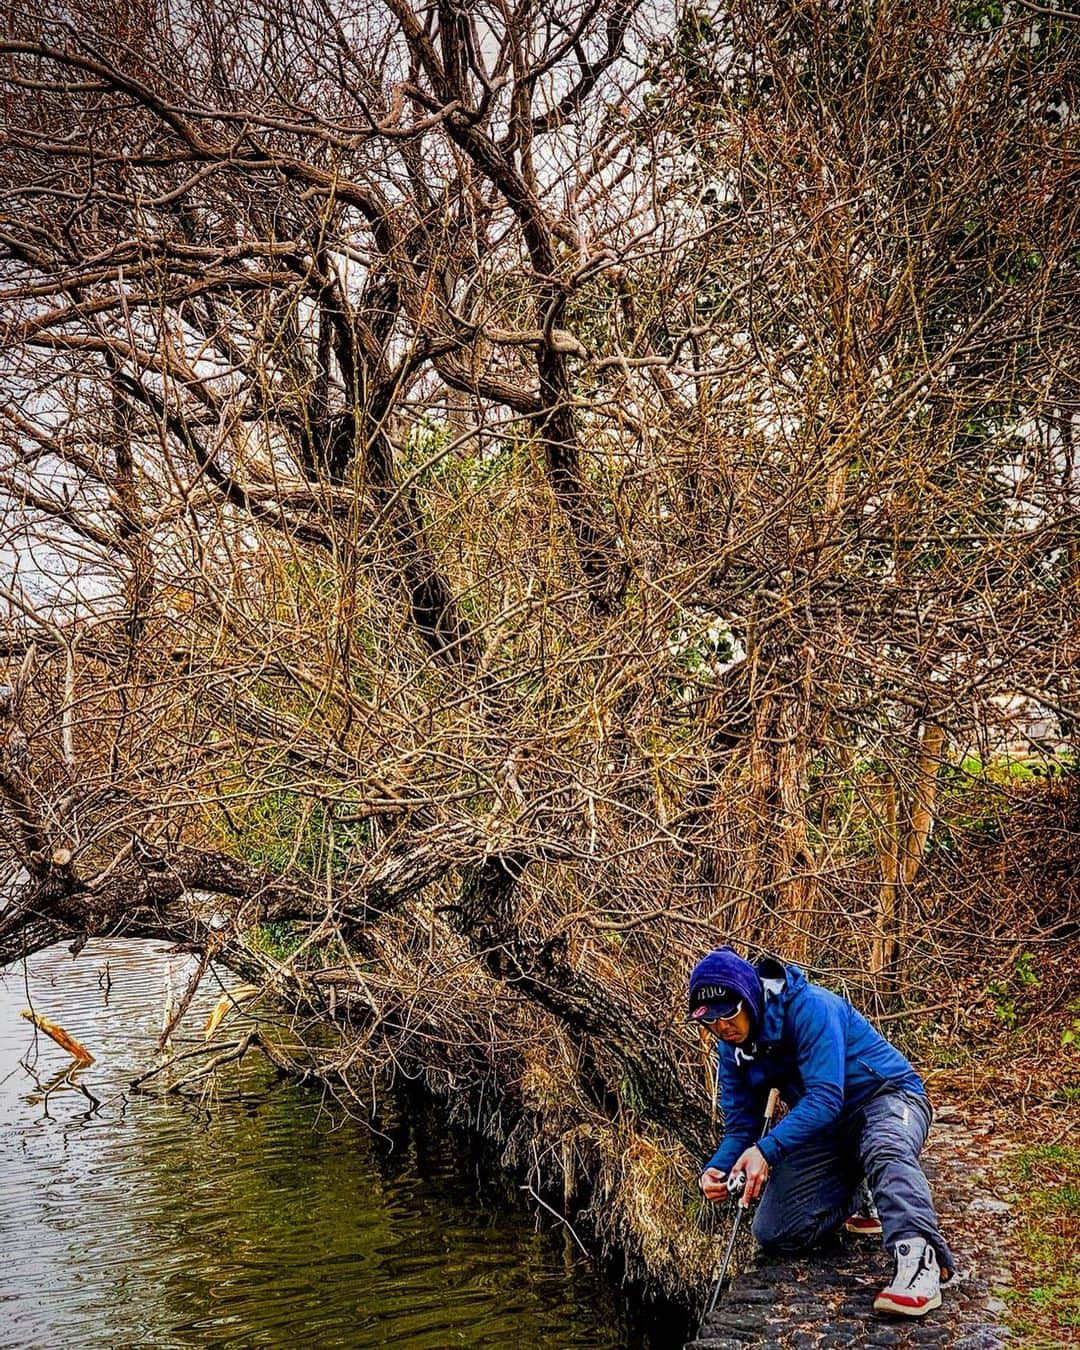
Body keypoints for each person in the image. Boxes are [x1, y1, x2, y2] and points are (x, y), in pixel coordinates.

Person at [690, 946, 955, 1318]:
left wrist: (766, 1151)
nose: (722, 1027)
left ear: (749, 997)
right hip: (829, 1128)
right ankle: (853, 1193)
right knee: (774, 1232)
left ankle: (919, 1256)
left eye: (729, 1013)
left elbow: (827, 1097)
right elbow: (741, 1126)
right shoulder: (732, 1048)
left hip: (888, 1096)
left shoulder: (812, 1007)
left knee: (884, 1146)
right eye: (710, 1021)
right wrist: (716, 1169)